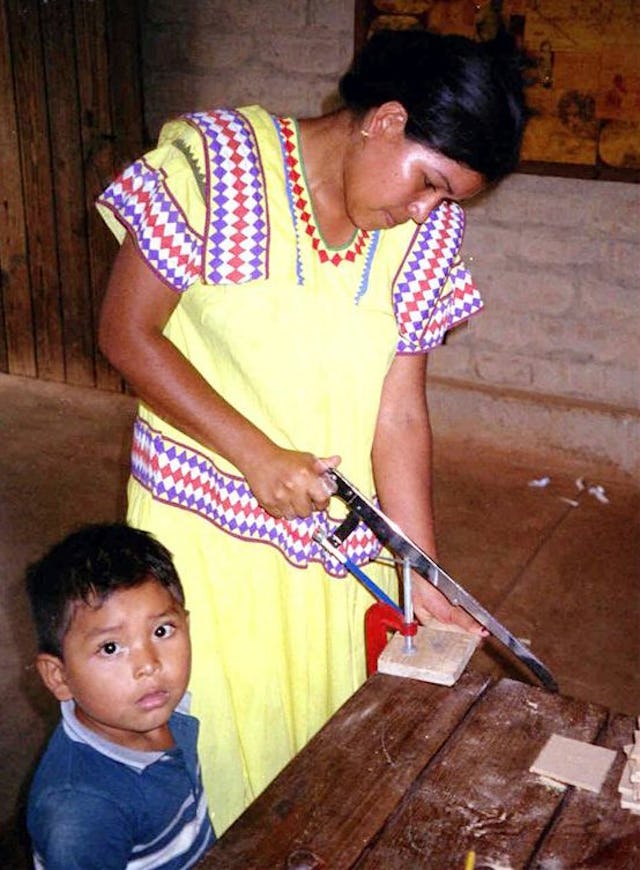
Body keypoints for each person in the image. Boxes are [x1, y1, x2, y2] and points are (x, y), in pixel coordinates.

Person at [96, 28, 529, 833]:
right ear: (386, 120)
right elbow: (127, 334)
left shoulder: (424, 235)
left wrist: (420, 569)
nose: (424, 210)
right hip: (206, 544)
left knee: (323, 759)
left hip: (333, 543)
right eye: (429, 184)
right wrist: (256, 455)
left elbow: (399, 411)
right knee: (219, 749)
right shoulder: (218, 168)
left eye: (447, 200)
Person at [25, 523, 216, 869]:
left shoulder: (158, 708)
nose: (149, 665)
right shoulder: (81, 813)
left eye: (162, 631)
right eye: (111, 648)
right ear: (59, 676)